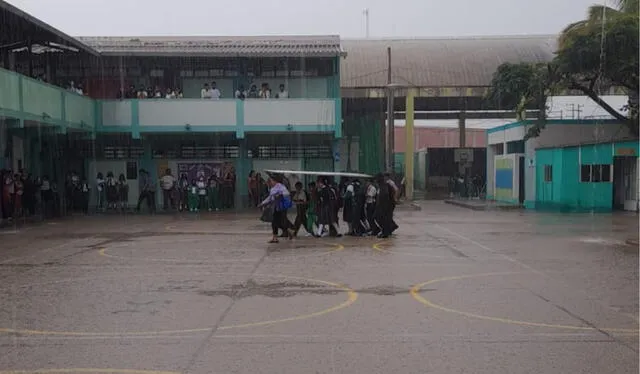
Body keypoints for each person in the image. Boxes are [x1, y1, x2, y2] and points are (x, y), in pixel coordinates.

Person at [258, 175, 293, 243]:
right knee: (277, 222)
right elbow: (270, 198)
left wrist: (279, 195)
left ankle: (277, 237)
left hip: (280, 207)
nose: (270, 182)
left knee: (275, 222)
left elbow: (285, 194)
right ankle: (288, 232)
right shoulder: (275, 188)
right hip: (278, 207)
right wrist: (262, 203)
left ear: (275, 181)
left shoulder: (279, 187)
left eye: (271, 181)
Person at [374, 173, 394, 238]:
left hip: (384, 206)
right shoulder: (380, 186)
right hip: (381, 206)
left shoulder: (384, 186)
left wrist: (383, 206)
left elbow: (385, 195)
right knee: (377, 217)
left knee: (381, 218)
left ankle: (385, 232)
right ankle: (385, 231)